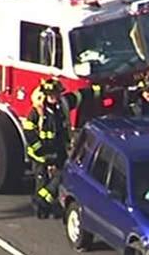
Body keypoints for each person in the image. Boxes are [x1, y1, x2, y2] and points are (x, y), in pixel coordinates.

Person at [23, 77, 100, 219]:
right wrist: (41, 149)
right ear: (45, 95)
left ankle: (41, 202)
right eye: (51, 95)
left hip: (59, 151)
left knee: (60, 177)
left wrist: (99, 89)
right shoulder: (37, 112)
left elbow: (79, 95)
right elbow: (28, 132)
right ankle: (42, 208)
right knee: (42, 182)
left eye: (56, 94)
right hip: (41, 156)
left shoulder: (63, 104)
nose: (54, 97)